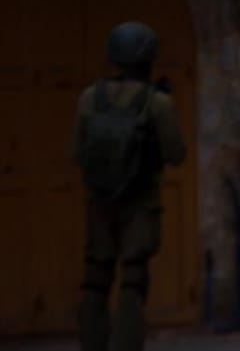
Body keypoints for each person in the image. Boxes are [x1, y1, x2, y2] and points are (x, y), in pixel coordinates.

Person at [73, 21, 187, 351]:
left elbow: (77, 153)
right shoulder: (157, 103)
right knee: (133, 282)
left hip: (100, 202)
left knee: (95, 280)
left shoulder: (90, 98)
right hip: (140, 203)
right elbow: (176, 154)